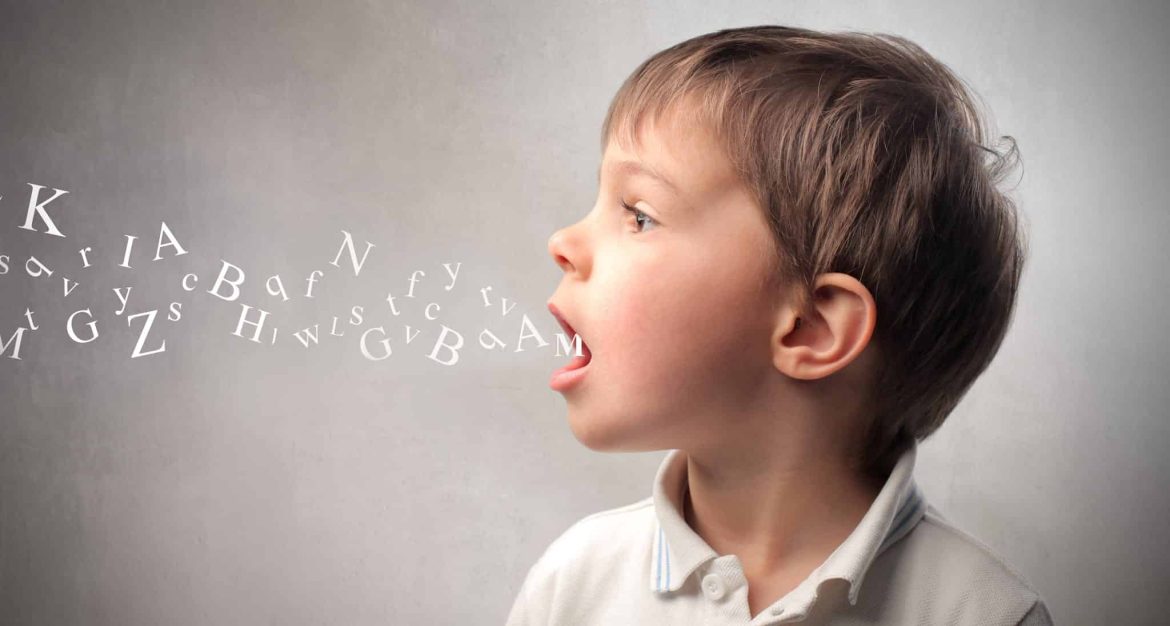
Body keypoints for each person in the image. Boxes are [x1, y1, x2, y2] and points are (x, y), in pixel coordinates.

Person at [509, 25, 1053, 625]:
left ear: (811, 328)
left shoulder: (983, 615)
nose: (562, 242)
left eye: (638, 215)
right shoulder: (576, 584)